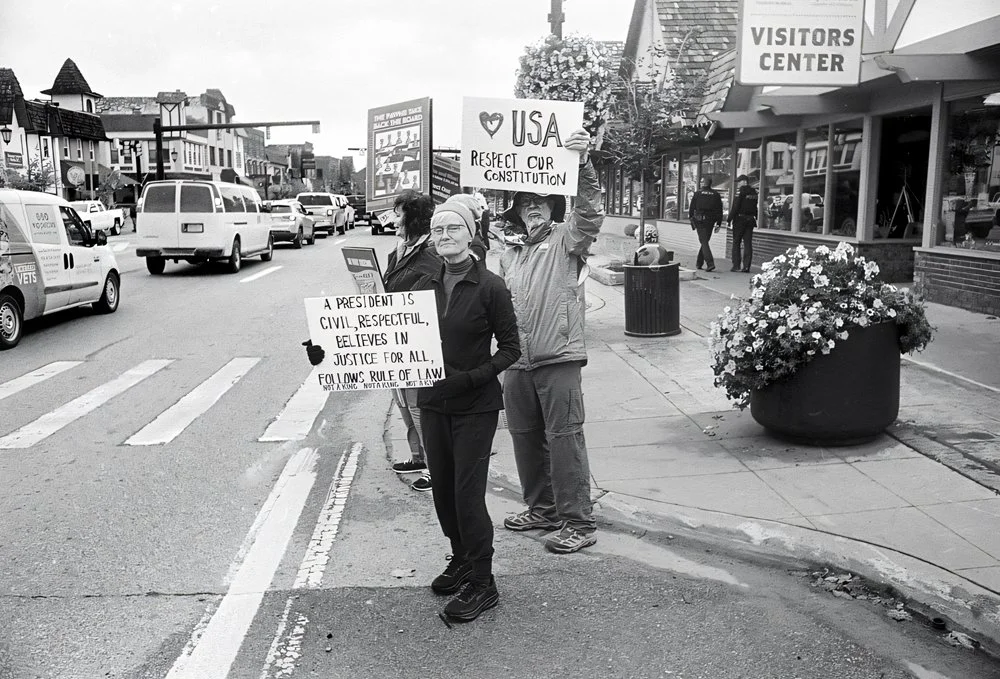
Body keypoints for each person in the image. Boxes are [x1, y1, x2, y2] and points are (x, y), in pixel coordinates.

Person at [497, 128, 604, 555]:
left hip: (557, 355)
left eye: (539, 202)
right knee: (524, 436)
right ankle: (541, 508)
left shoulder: (567, 238)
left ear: (553, 206)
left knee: (564, 438)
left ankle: (578, 521)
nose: (532, 209)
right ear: (517, 213)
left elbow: (591, 212)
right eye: (524, 204)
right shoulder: (508, 253)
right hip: (517, 362)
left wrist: (582, 162)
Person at [416, 200, 520, 622]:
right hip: (433, 403)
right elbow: (383, 336)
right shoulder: (421, 285)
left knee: (466, 493)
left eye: (453, 228)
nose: (444, 235)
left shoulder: (491, 286)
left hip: (475, 405)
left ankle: (483, 581)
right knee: (442, 489)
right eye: (437, 229)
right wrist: (326, 354)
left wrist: (473, 377)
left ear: (471, 232)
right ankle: (460, 558)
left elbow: (511, 348)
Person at [305, 190, 439, 492]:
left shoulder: (429, 255)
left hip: (415, 343)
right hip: (395, 343)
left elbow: (423, 301)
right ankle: (419, 456)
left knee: (419, 407)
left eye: (398, 213)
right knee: (403, 402)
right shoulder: (401, 249)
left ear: (414, 218)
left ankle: (436, 467)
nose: (392, 219)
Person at [688, 176, 724, 272]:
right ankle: (699, 263)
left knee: (704, 242)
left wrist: (691, 219)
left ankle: (710, 263)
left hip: (700, 220)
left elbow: (692, 209)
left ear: (703, 183)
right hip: (710, 221)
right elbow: (720, 210)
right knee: (705, 241)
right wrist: (719, 223)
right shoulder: (716, 194)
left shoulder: (698, 193)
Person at [727, 174, 758, 273]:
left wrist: (729, 219)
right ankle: (746, 267)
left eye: (739, 182)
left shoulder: (740, 192)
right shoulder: (754, 192)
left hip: (740, 219)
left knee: (736, 242)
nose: (738, 184)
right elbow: (755, 206)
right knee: (748, 243)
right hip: (750, 220)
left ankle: (736, 265)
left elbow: (735, 206)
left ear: (744, 182)